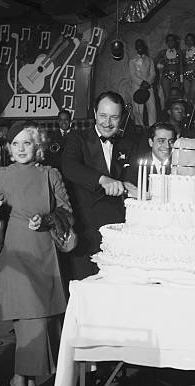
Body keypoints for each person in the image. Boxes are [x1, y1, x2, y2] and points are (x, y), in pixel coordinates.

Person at [0, 121, 73, 386]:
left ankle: (27, 380)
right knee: (29, 320)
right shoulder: (3, 176)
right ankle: (19, 379)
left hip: (45, 254)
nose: (21, 149)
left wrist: (46, 220)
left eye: (27, 143)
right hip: (17, 254)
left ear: (38, 146)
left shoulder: (50, 174)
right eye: (15, 144)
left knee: (43, 320)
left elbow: (67, 211)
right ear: (8, 148)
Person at [61, 91, 137, 280]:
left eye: (114, 117)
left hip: (116, 231)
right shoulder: (77, 138)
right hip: (86, 228)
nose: (108, 123)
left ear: (122, 118)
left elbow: (130, 177)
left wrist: (129, 185)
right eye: (103, 116)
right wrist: (102, 179)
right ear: (95, 113)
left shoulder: (128, 144)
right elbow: (69, 167)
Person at [129, 39, 157, 127]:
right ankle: (139, 127)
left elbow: (153, 73)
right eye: (138, 45)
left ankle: (153, 127)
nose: (140, 47)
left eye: (141, 45)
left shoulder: (150, 60)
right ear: (136, 47)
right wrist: (141, 83)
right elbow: (132, 75)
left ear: (144, 47)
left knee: (152, 108)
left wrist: (147, 83)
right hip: (137, 87)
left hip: (148, 87)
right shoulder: (132, 61)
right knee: (138, 110)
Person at [156, 34, 183, 105]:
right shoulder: (163, 52)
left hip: (176, 76)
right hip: (166, 76)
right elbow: (154, 63)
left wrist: (182, 79)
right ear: (166, 42)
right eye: (169, 40)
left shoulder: (179, 52)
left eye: (172, 40)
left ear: (175, 42)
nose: (171, 42)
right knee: (167, 97)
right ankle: (166, 113)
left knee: (176, 96)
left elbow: (181, 66)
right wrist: (160, 65)